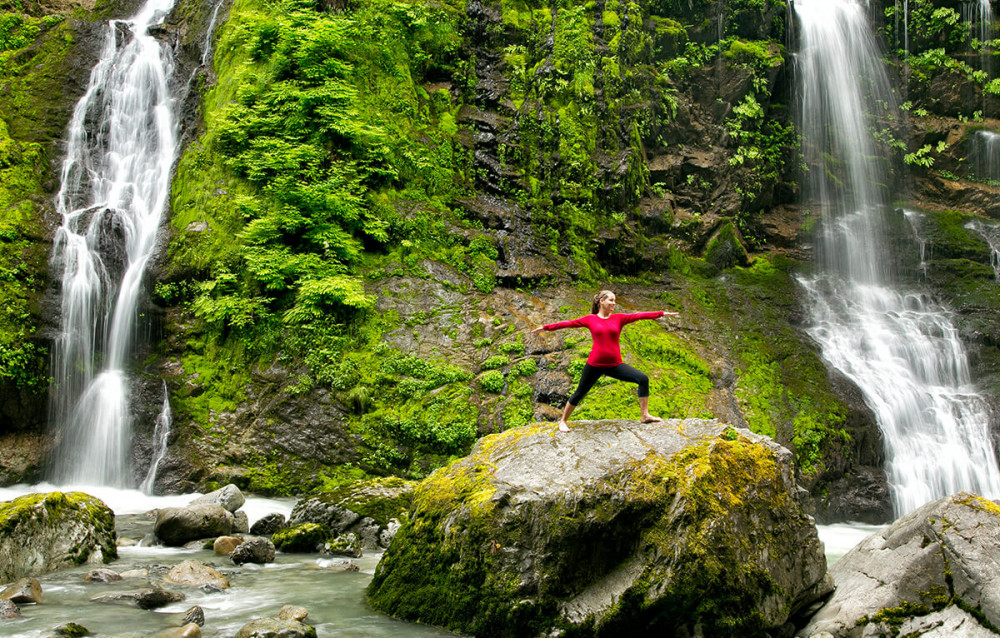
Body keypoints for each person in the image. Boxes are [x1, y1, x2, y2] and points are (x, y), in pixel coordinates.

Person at [531, 290, 678, 432]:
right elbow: (568, 323)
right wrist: (545, 328)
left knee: (643, 379)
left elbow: (638, 316)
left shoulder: (619, 318)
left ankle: (645, 415)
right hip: (594, 365)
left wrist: (660, 314)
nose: (614, 303)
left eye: (614, 301)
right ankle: (563, 421)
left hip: (615, 365)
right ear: (602, 301)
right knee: (580, 392)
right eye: (611, 300)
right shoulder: (590, 319)